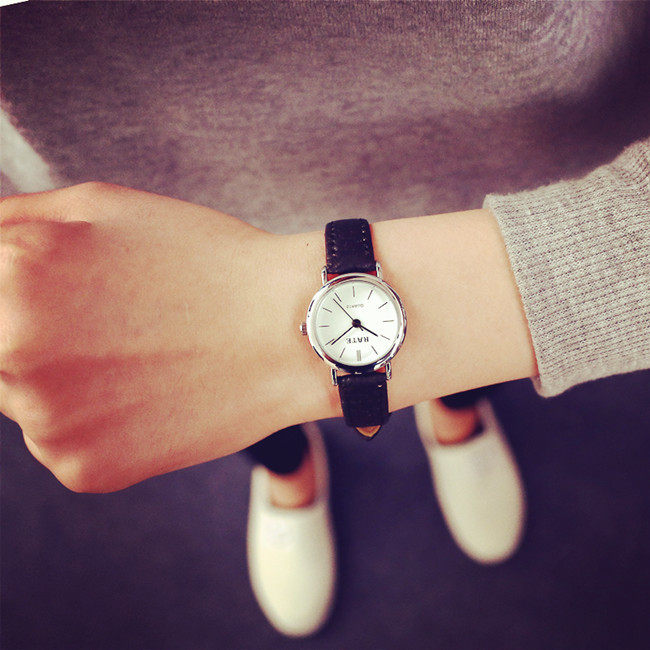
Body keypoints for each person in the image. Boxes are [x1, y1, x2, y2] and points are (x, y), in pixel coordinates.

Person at [1, 0, 649, 639]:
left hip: (511, 150)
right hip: (136, 197)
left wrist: (518, 288)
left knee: (474, 341)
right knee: (189, 384)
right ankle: (289, 469)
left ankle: (455, 412)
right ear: (313, 326)